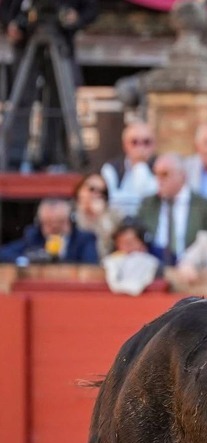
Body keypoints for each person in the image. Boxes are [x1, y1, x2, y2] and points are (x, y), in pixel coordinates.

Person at [0, 0, 97, 171]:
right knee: (20, 100)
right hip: (25, 42)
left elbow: (91, 8)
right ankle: (13, 157)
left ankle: (53, 157)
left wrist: (77, 18)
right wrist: (10, 23)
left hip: (61, 40)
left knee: (60, 100)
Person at [137, 154, 207, 266]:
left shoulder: (204, 206)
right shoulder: (148, 204)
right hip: (155, 268)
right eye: (156, 174)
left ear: (183, 175)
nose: (159, 180)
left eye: (165, 174)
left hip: (193, 269)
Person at [0, 198, 98, 264]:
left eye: (60, 222)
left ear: (69, 220)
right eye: (48, 223)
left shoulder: (84, 239)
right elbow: (4, 253)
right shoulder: (34, 237)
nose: (54, 228)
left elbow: (91, 263)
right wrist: (27, 260)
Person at [99, 121, 158, 217]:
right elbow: (108, 201)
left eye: (146, 142)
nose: (140, 148)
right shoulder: (112, 169)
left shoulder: (161, 168)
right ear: (125, 145)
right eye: (134, 142)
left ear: (154, 145)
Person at [101, 221, 161, 296]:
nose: (127, 247)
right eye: (122, 243)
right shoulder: (110, 262)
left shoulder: (154, 263)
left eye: (130, 243)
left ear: (142, 244)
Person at [72, 173, 121, 259]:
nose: (96, 194)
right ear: (80, 190)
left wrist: (100, 218)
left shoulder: (114, 215)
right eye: (92, 189)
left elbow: (107, 247)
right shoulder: (70, 212)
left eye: (102, 192)